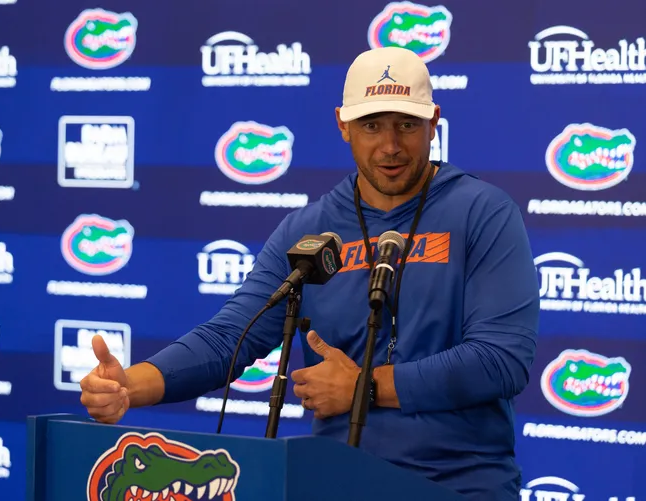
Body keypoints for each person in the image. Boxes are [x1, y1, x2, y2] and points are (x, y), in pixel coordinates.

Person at [80, 46, 540, 501]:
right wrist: (130, 385)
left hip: (460, 485)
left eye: (407, 124)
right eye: (371, 125)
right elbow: (231, 336)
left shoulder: (483, 212)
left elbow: (501, 359)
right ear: (343, 124)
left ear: (433, 120)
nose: (391, 145)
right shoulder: (307, 230)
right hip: (336, 480)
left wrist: (364, 388)